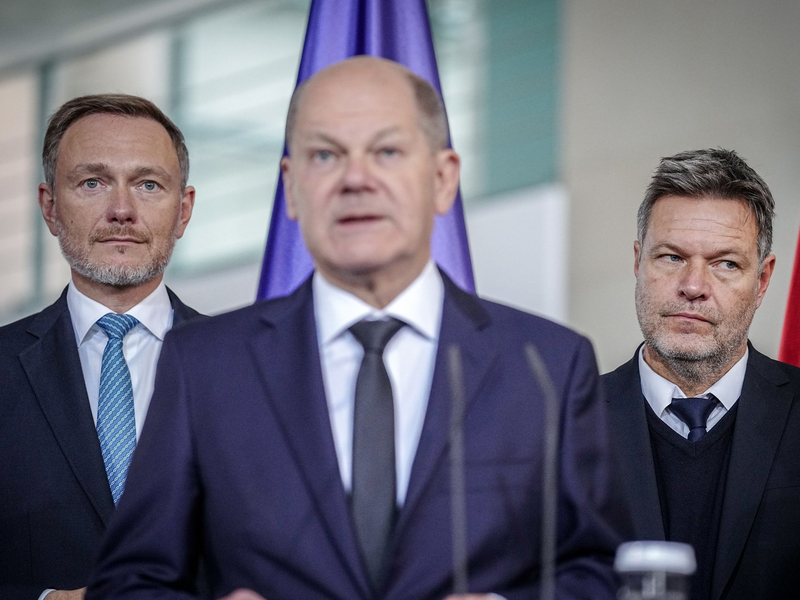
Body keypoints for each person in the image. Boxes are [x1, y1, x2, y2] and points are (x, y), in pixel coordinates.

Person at [87, 56, 627, 600]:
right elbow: (130, 581)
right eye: (326, 155)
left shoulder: (548, 366)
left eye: (386, 151)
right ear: (291, 188)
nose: (355, 179)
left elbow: (601, 573)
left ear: (443, 179)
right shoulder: (204, 365)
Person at [0, 94, 200, 600]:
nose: (122, 211)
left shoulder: (254, 371)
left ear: (183, 211)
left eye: (148, 184)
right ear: (50, 207)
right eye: (93, 182)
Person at [603, 148, 800, 599]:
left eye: (725, 263)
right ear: (638, 262)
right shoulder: (561, 425)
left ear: (762, 281)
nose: (693, 287)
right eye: (671, 257)